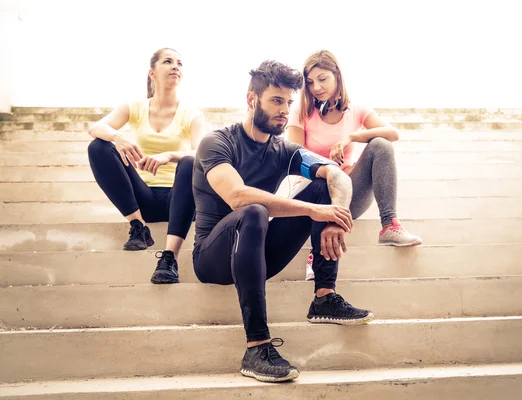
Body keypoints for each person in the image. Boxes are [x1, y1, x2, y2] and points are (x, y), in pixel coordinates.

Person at [192, 60, 374, 383]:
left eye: (289, 103)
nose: (285, 110)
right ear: (252, 100)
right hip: (213, 257)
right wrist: (311, 212)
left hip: (259, 254)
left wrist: (335, 217)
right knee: (254, 210)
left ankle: (324, 297)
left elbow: (336, 176)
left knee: (322, 188)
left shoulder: (285, 151)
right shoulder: (218, 143)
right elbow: (237, 196)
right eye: (277, 101)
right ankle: (257, 347)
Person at [287, 50, 422, 280]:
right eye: (310, 82)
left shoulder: (357, 110)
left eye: (322, 79)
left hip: (350, 194)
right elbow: (293, 157)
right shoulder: (301, 112)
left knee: (381, 144)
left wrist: (351, 137)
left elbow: (393, 133)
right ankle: (316, 253)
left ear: (337, 76)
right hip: (313, 192)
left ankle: (389, 224)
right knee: (322, 186)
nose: (316, 88)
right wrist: (328, 169)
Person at [88, 48, 205, 284]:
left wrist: (170, 155)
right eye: (168, 61)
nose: (175, 66)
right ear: (152, 72)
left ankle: (170, 258)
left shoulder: (191, 114)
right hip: (142, 198)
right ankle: (138, 227)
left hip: (179, 201)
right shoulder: (135, 108)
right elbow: (96, 128)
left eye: (179, 63)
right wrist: (118, 138)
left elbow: (204, 154)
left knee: (191, 161)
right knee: (98, 147)